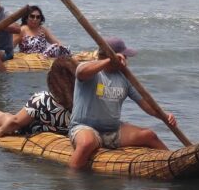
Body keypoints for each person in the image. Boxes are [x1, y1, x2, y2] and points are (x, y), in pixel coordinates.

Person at [66, 37, 177, 170]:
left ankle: (174, 163)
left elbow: (146, 105)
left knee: (149, 136)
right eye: (124, 56)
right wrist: (109, 60)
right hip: (85, 127)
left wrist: (165, 116)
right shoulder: (91, 70)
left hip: (113, 129)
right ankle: (72, 178)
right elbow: (81, 72)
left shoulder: (124, 77)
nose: (126, 59)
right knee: (86, 143)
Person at [0, 57, 77, 141]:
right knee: (11, 117)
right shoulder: (79, 101)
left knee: (7, 118)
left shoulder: (43, 99)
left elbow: (16, 122)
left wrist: (0, 131)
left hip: (30, 132)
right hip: (59, 134)